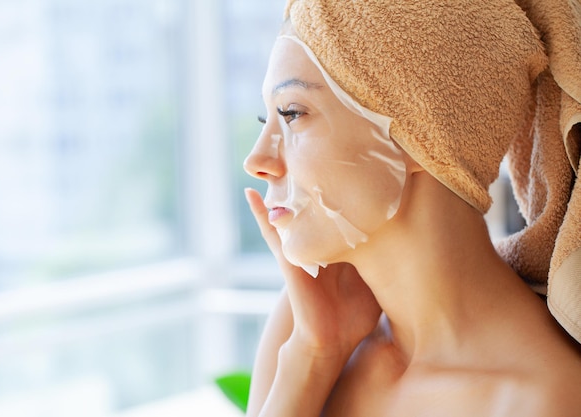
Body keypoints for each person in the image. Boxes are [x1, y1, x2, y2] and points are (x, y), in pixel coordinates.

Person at [242, 0, 581, 416]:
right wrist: (313, 358)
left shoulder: (545, 399)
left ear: (418, 137)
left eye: (292, 114)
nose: (257, 161)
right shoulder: (304, 328)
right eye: (267, 123)